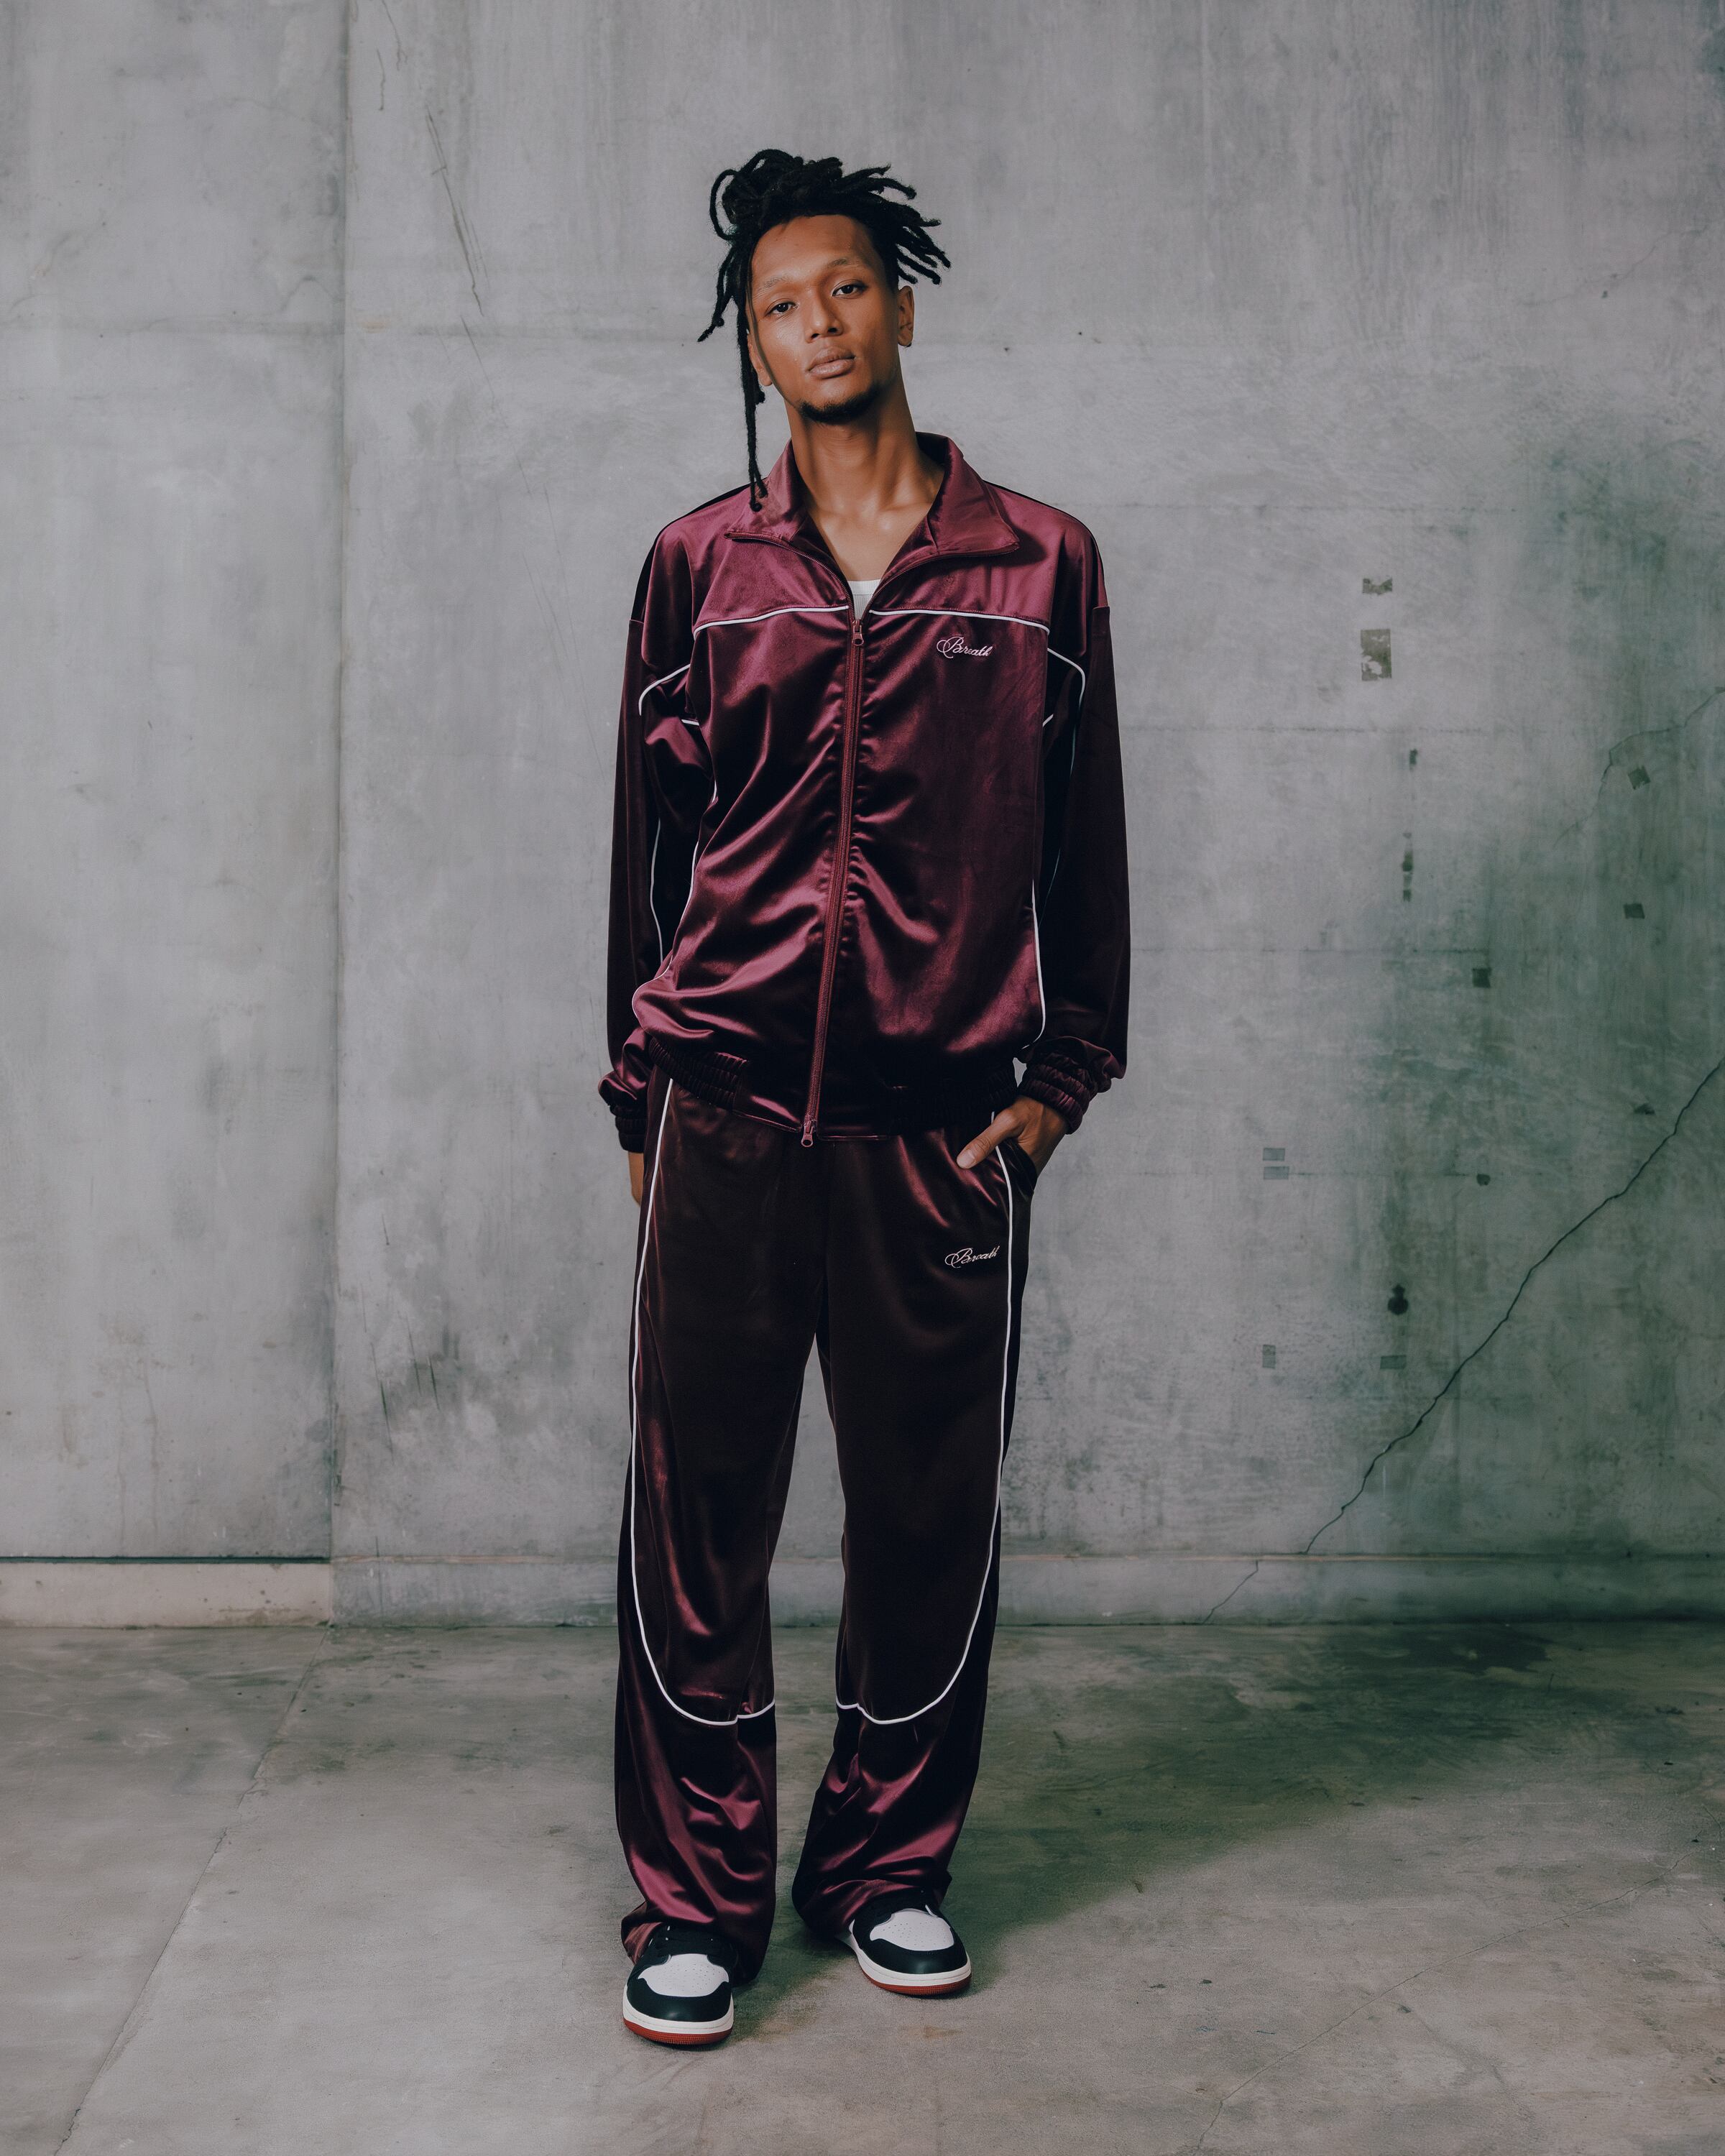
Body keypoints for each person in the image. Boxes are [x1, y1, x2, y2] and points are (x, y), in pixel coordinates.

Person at [599, 147, 1129, 2047]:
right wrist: (643, 1100)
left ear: (901, 303)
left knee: (928, 1519)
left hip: (942, 1130)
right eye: (777, 308)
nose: (815, 325)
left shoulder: (1041, 562)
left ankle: (886, 1867)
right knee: (698, 1525)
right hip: (729, 1110)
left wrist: (1062, 1080)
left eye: (842, 289)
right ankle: (698, 1899)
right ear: (750, 346)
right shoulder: (701, 568)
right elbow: (648, 857)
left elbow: (1085, 845)